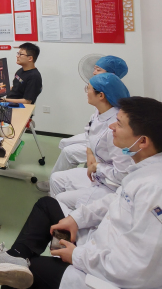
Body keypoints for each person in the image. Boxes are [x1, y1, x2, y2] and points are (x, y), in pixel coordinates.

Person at [0, 96, 162, 289]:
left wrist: (78, 256)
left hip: (112, 278)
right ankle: (15, 257)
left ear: (142, 141)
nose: (112, 127)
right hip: (107, 243)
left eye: (119, 124)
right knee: (47, 206)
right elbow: (119, 199)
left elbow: (141, 270)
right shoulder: (152, 166)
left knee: (25, 275)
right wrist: (77, 219)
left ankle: (18, 268)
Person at [37, 56, 128, 193]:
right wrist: (89, 152)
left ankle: (61, 185)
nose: (94, 72)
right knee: (65, 145)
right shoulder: (105, 104)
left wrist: (96, 164)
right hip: (95, 146)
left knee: (68, 152)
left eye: (98, 69)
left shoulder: (115, 124)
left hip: (107, 173)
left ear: (101, 95)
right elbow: (91, 127)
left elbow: (120, 169)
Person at [49, 74, 132, 209]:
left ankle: (68, 217)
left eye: (88, 89)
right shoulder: (100, 112)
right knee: (55, 178)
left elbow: (122, 174)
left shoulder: (115, 127)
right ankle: (59, 213)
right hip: (98, 173)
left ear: (101, 96)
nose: (86, 92)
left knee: (60, 199)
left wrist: (97, 167)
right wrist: (89, 153)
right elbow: (89, 130)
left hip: (110, 185)